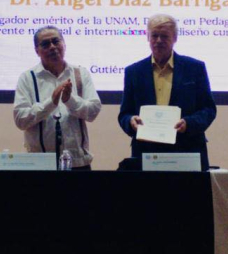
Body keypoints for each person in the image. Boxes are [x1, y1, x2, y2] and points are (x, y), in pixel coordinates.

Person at [118, 14, 217, 170]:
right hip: (146, 152)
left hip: (187, 149)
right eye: (154, 35)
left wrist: (189, 124)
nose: (158, 40)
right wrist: (130, 121)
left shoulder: (194, 68)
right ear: (147, 37)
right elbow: (124, 114)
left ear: (175, 38)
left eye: (164, 36)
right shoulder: (134, 71)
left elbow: (208, 109)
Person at [13, 26, 101, 169]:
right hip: (39, 165)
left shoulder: (80, 73)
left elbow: (93, 112)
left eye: (56, 41)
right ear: (36, 51)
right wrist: (50, 103)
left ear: (64, 44)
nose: (52, 47)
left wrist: (69, 101)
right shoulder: (27, 78)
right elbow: (20, 120)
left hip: (78, 163)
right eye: (45, 44)